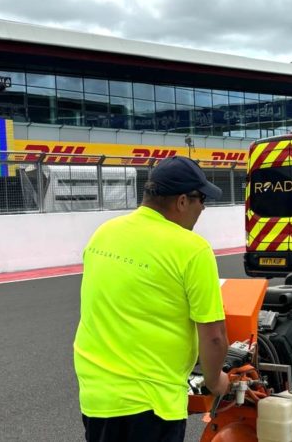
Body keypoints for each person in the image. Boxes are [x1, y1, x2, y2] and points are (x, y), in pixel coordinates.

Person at [74, 156, 229, 442]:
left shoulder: (104, 234)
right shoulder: (192, 249)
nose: (204, 207)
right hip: (151, 402)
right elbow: (214, 337)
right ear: (182, 201)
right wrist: (215, 381)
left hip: (97, 397)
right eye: (202, 199)